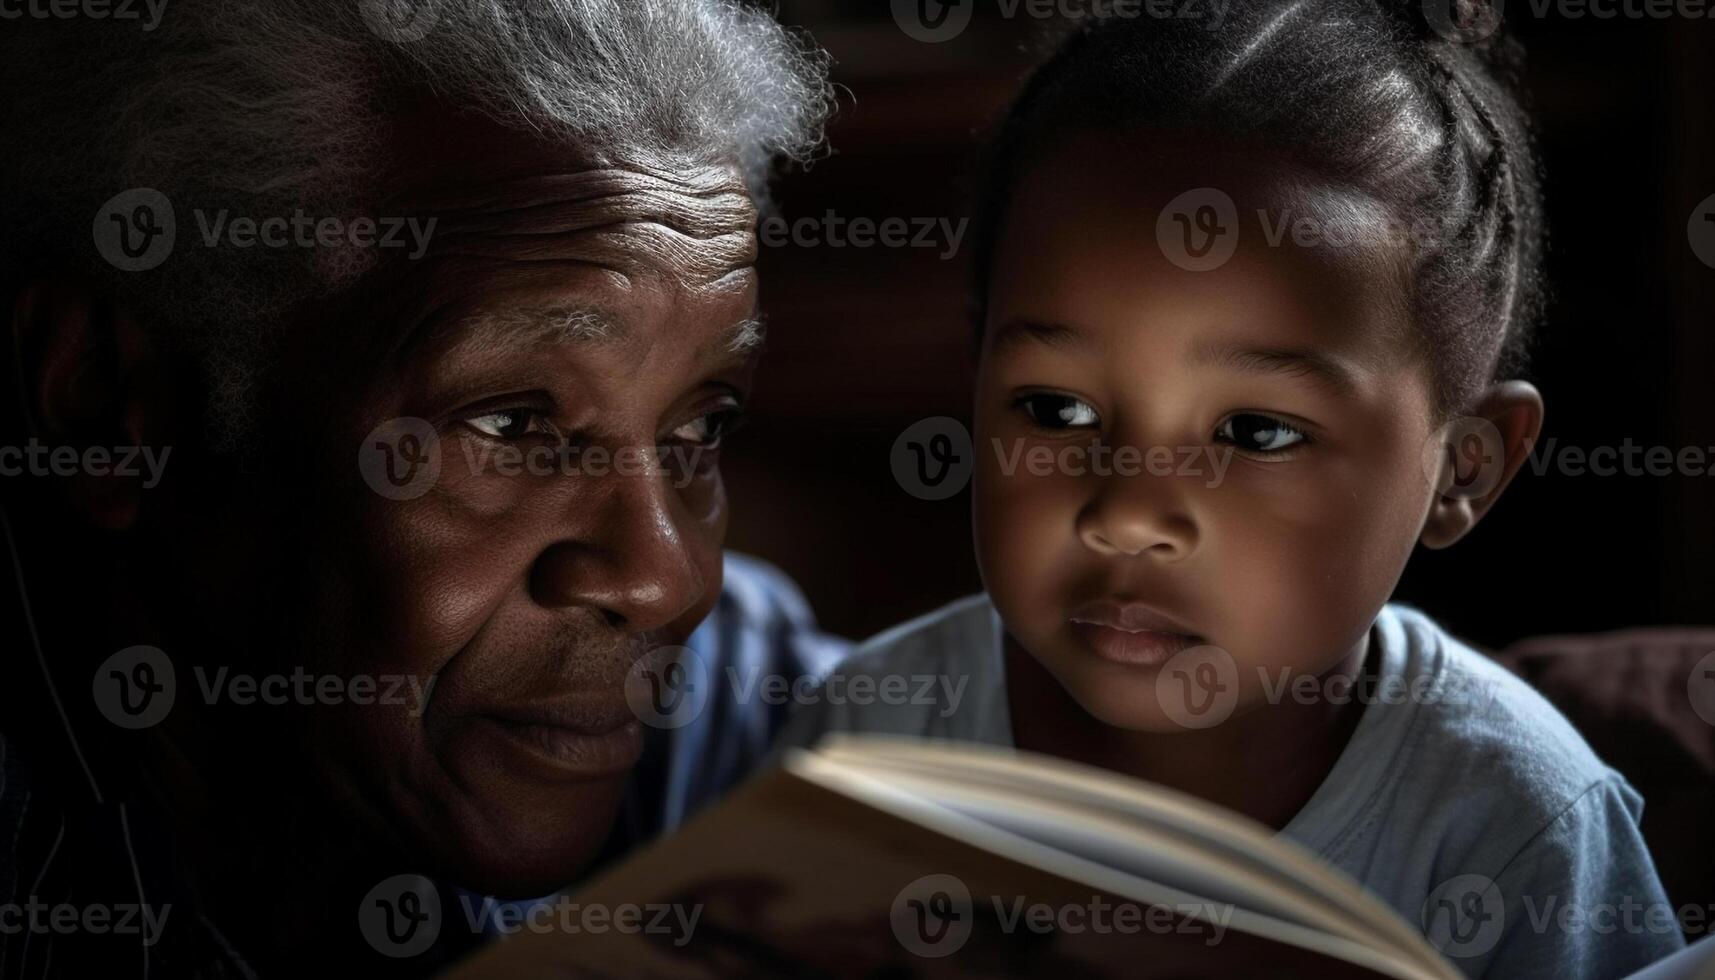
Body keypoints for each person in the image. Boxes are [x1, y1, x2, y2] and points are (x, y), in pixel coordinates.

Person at [776, 3, 1685, 976]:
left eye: (1252, 432)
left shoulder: (1508, 825)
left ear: (1463, 467)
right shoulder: (874, 727)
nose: (1125, 513)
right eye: (1052, 409)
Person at [0, 1, 843, 975]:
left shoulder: (713, 701)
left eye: (700, 425)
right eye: (513, 424)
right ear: (110, 405)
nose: (665, 577)